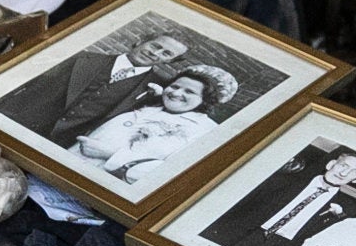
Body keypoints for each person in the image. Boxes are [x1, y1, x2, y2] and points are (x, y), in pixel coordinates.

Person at [75, 65, 236, 182]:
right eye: (175, 86)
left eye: (189, 92)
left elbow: (171, 177)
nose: (176, 93)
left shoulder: (206, 132)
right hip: (71, 172)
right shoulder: (148, 106)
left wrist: (112, 155)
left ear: (206, 101)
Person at [30, 30, 192, 144]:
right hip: (27, 126)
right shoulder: (83, 58)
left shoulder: (158, 92)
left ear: (169, 62)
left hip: (65, 147)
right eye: (155, 46)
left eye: (166, 54)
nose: (155, 54)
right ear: (141, 41)